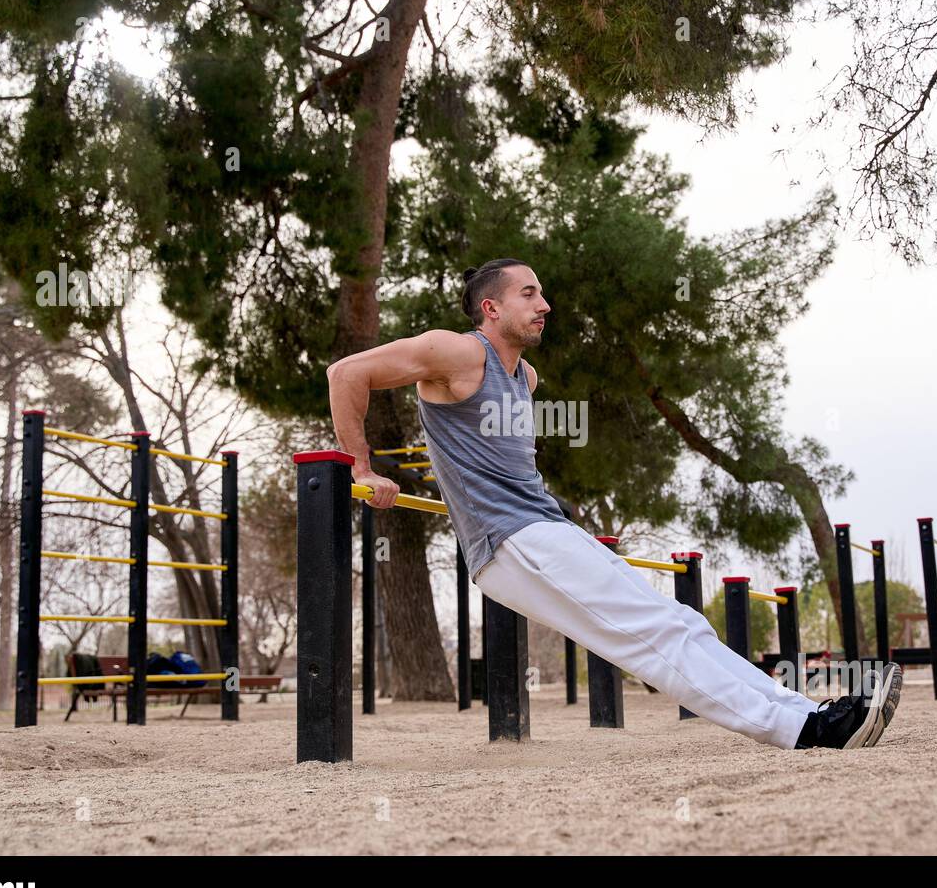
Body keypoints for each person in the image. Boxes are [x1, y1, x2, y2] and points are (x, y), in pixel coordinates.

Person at [326, 258, 902, 749]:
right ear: (491, 308)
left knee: (679, 621)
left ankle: (808, 715)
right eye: (529, 294)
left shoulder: (523, 378)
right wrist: (362, 465)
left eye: (543, 293)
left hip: (540, 527)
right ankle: (801, 731)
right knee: (654, 630)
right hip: (510, 538)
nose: (544, 304)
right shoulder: (453, 352)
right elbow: (347, 372)